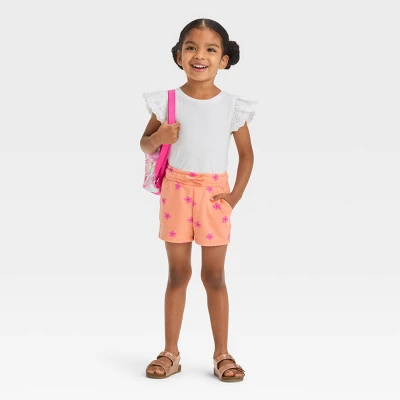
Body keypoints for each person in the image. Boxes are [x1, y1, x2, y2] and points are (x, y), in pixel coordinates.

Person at [140, 18, 257, 382]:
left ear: (224, 60)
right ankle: (170, 352)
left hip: (214, 197)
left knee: (214, 275)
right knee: (177, 273)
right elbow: (145, 144)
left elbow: (247, 155)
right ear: (179, 56)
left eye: (210, 49)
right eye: (191, 47)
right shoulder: (167, 102)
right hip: (175, 193)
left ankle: (222, 353)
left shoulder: (232, 106)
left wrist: (233, 197)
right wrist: (159, 137)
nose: (199, 55)